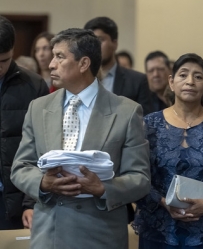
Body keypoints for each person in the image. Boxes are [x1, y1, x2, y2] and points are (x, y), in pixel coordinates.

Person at [11, 28, 151, 249]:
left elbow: (140, 178)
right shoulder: (38, 108)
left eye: (59, 56)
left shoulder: (126, 111)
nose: (50, 64)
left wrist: (104, 188)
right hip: (49, 234)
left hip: (99, 235)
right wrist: (42, 183)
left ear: (84, 64)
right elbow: (20, 167)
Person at [134, 53, 203, 249]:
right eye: (183, 75)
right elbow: (138, 176)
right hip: (159, 228)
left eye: (198, 76)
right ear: (171, 82)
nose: (190, 81)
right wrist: (163, 202)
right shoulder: (150, 124)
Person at [0, 15, 49, 229]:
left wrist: (32, 201)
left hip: (15, 199)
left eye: (3, 61)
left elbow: (43, 147)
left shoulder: (33, 86)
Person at [84, 17, 152, 115]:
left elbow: (144, 120)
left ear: (114, 43)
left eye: (100, 40)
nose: (95, 46)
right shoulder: (80, 79)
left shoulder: (137, 81)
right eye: (90, 41)